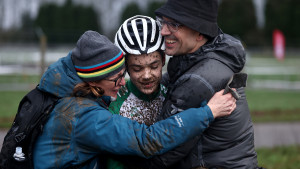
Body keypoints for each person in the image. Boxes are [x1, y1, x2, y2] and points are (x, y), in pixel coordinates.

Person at [32, 30, 236, 169]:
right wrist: (207, 112)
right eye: (117, 78)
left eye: (123, 75)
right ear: (94, 83)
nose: (122, 83)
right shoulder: (84, 116)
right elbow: (147, 140)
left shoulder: (72, 94)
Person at [151, 0, 258, 168]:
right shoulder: (202, 60)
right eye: (163, 22)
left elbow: (161, 152)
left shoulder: (198, 80)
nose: (163, 31)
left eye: (174, 24)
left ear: (200, 33)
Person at [107, 15, 167, 169]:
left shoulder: (174, 94)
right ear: (126, 67)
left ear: (164, 60)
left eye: (154, 66)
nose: (147, 76)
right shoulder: (115, 105)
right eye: (137, 69)